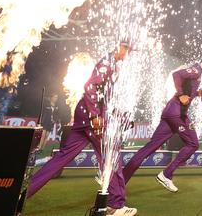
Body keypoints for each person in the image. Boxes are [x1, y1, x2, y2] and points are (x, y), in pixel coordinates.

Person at [27, 42, 137, 216]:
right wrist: (95, 115)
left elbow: (105, 98)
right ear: (119, 47)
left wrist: (119, 116)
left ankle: (24, 191)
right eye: (127, 49)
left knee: (62, 157)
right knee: (111, 157)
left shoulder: (110, 64)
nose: (127, 54)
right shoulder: (107, 63)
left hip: (84, 116)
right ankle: (116, 205)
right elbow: (90, 86)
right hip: (91, 119)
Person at [122, 60, 202, 192]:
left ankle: (119, 181)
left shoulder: (196, 73)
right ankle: (166, 174)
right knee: (193, 143)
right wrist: (181, 94)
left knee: (149, 148)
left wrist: (198, 93)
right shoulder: (196, 69)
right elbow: (176, 74)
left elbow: (189, 89)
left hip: (171, 113)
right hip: (177, 114)